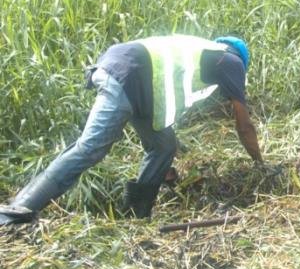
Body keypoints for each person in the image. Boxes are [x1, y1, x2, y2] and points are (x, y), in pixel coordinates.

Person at [0, 35, 264, 225]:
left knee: (164, 146)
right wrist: (260, 164)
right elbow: (244, 125)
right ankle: (18, 210)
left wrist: (164, 169)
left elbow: (168, 107)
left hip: (138, 82)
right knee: (90, 148)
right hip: (127, 75)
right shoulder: (231, 61)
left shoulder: (203, 56)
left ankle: (136, 216)